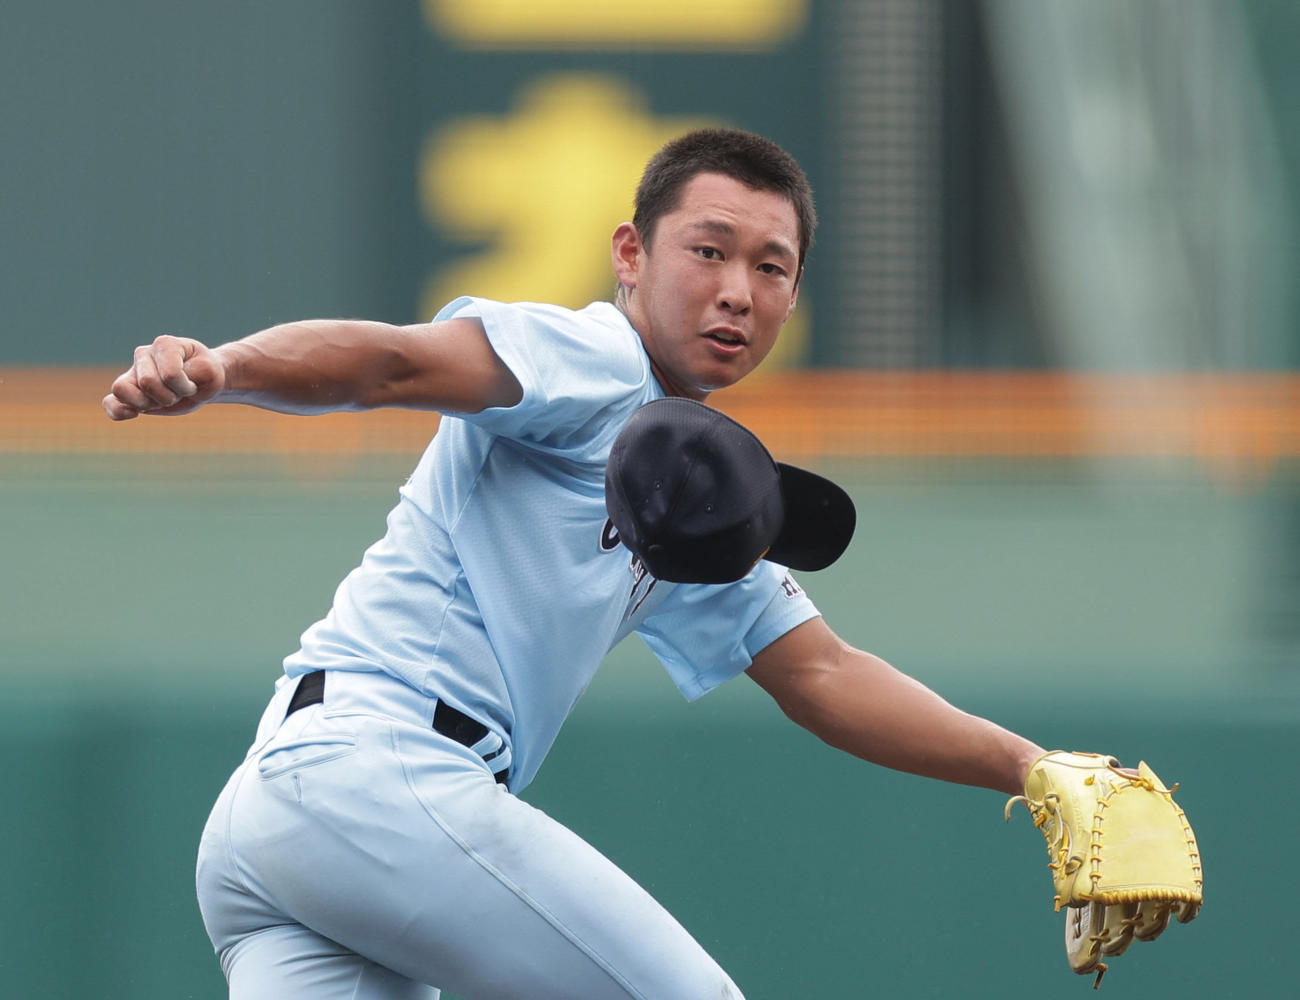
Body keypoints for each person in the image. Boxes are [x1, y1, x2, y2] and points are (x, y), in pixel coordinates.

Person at [103, 129, 1046, 1000]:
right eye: (708, 250)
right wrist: (226, 370)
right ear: (630, 255)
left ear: (794, 298)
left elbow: (823, 674)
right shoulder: (596, 358)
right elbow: (389, 363)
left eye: (771, 267)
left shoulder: (691, 484)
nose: (737, 290)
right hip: (377, 773)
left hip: (293, 815)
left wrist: (1036, 770)